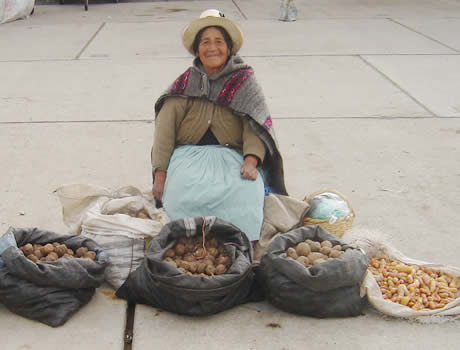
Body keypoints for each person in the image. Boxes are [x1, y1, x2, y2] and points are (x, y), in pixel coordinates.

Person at [151, 9, 287, 241]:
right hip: (188, 157)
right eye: (205, 42)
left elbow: (255, 127)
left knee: (244, 195)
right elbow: (164, 132)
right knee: (180, 195)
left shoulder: (244, 82)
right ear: (196, 49)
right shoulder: (184, 84)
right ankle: (184, 248)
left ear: (230, 48)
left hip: (233, 158)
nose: (212, 48)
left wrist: (251, 161)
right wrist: (160, 174)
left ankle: (240, 249)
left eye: (219, 42)